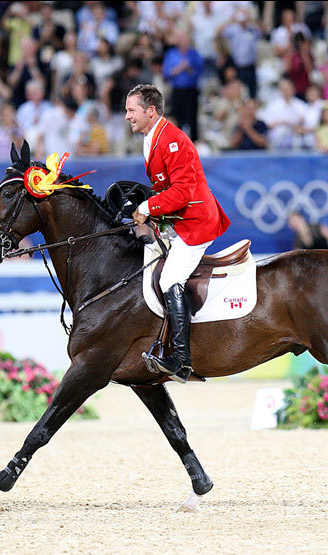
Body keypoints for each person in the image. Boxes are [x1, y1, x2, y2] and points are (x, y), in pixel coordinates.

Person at [126, 84, 230, 383]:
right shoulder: (152, 138)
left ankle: (182, 361)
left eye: (131, 110)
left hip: (197, 221)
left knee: (171, 277)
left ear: (150, 111)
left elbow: (182, 192)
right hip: (179, 221)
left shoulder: (172, 140)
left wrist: (148, 206)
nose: (126, 116)